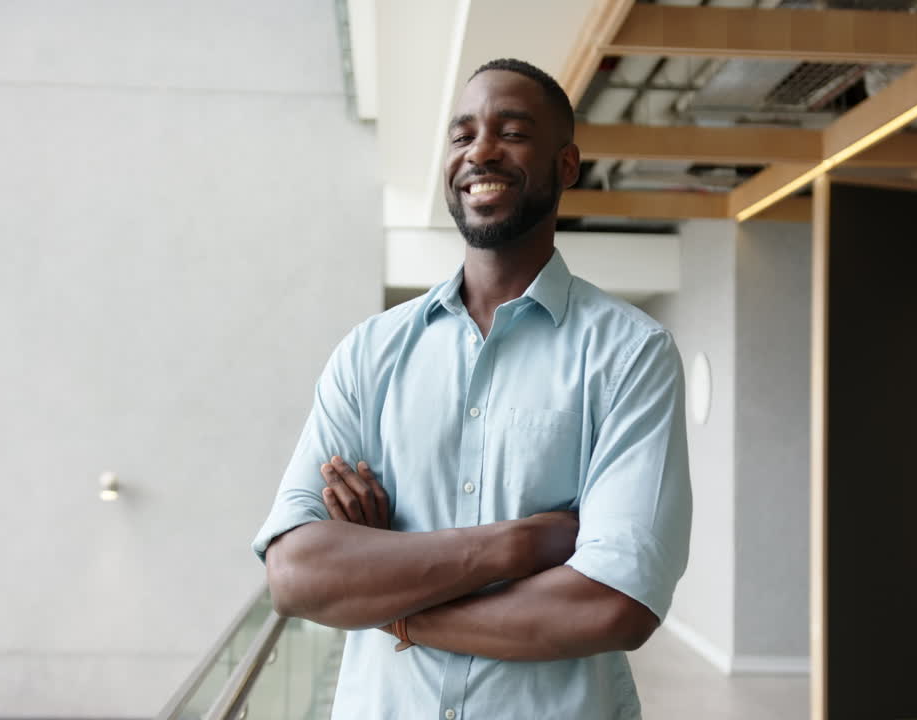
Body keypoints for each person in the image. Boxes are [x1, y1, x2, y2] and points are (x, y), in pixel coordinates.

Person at [253, 58, 692, 720]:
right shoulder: (368, 354)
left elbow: (613, 605)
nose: (480, 150)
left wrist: (391, 604)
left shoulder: (632, 355)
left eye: (511, 131)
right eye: (461, 136)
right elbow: (295, 575)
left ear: (566, 166)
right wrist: (517, 546)